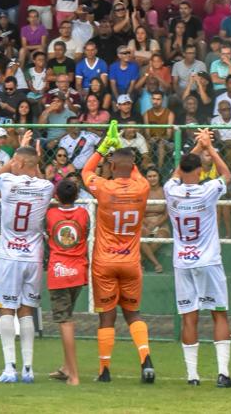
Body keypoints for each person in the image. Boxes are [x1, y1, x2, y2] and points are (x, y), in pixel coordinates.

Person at [81, 124, 156, 384]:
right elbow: (131, 168)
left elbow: (86, 171)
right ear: (134, 166)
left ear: (112, 167)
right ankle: (146, 360)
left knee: (107, 315)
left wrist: (104, 149)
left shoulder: (104, 187)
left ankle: (104, 371)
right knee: (133, 313)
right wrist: (122, 152)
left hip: (105, 261)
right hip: (131, 261)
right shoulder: (142, 187)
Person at [164, 129, 231, 387]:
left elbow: (177, 173)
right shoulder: (208, 190)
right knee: (219, 313)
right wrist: (210, 148)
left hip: (182, 262)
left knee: (189, 316)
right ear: (198, 171)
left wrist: (197, 146)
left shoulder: (170, 190)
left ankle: (192, 376)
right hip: (208, 260)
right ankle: (223, 373)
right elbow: (227, 175)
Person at [0, 130, 55, 385]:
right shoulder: (46, 187)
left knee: (6, 308)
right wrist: (31, 159)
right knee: (27, 309)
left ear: (18, 163)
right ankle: (28, 368)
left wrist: (19, 153)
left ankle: (9, 368)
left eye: (15, 161)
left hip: (10, 256)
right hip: (33, 258)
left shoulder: (8, 182)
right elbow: (36, 175)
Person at [45, 176, 90, 386]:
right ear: (77, 195)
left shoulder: (50, 214)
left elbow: (47, 233)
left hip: (59, 272)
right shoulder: (84, 214)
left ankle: (74, 375)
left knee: (65, 321)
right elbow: (85, 233)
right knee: (68, 317)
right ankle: (65, 367)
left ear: (56, 196)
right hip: (78, 271)